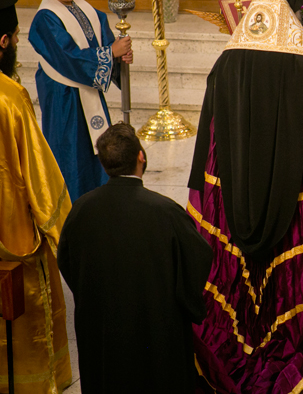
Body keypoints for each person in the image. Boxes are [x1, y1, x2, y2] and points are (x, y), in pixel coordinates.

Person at [188, 0, 303, 394]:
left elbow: (209, 131)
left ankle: (241, 329)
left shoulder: (227, 60)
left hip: (233, 193)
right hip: (293, 193)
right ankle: (285, 333)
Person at [57, 123, 212, 394]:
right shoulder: (166, 212)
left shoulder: (81, 210)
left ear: (104, 164)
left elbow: (67, 262)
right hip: (156, 329)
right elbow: (198, 259)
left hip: (102, 331)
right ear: (141, 156)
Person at [0, 0, 73, 392]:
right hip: (11, 240)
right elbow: (40, 180)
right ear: (4, 42)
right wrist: (68, 240)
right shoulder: (9, 97)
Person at [27, 0, 133, 201]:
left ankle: (101, 202)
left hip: (89, 92)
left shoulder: (86, 10)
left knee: (97, 151)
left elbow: (105, 41)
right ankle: (72, 209)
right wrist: (110, 53)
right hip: (64, 99)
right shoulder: (45, 19)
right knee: (71, 155)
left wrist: (119, 56)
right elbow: (68, 57)